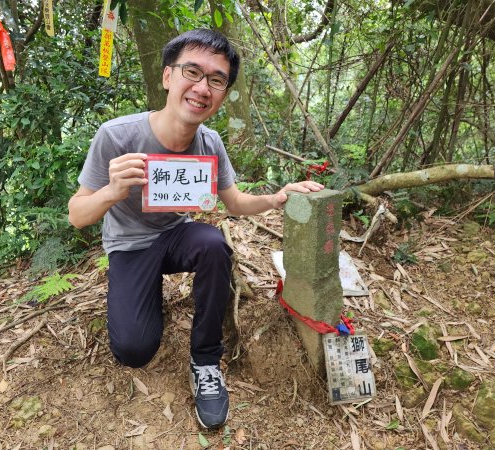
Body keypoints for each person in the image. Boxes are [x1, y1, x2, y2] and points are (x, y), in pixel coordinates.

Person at [68, 29, 323, 429]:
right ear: (168, 76)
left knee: (212, 244)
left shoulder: (209, 143)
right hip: (130, 245)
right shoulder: (118, 136)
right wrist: (113, 191)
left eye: (216, 80)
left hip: (175, 236)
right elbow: (77, 215)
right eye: (192, 72)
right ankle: (143, 294)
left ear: (223, 93)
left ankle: (206, 360)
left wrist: (276, 198)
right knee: (134, 350)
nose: (203, 87)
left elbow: (235, 203)